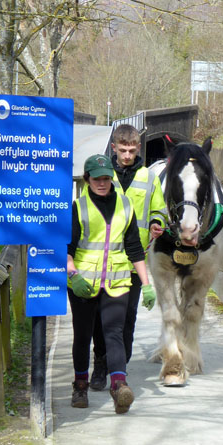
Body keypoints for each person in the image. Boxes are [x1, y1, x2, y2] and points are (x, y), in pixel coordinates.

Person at [67, 154, 156, 414]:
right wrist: (73, 276)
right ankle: (80, 386)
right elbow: (66, 250)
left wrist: (146, 284)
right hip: (83, 284)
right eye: (97, 179)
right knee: (82, 336)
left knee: (114, 333)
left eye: (106, 178)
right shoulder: (78, 207)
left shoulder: (126, 207)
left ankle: (119, 386)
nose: (102, 183)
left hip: (117, 282)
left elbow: (135, 249)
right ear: (88, 180)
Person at [89, 124, 167, 391]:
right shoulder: (103, 174)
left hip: (135, 262)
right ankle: (100, 366)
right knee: (102, 319)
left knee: (127, 319)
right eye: (122, 150)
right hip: (104, 262)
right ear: (114, 148)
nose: (127, 155)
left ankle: (119, 370)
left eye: (132, 150)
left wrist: (157, 222)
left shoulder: (149, 178)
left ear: (138, 149)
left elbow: (159, 209)